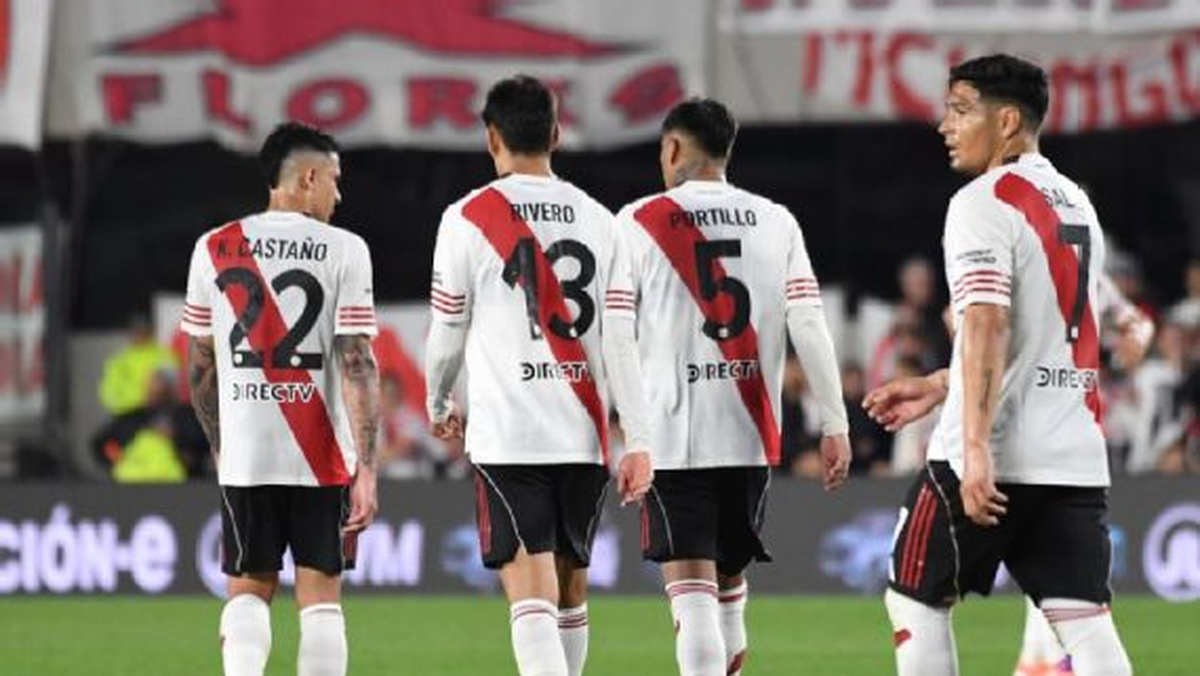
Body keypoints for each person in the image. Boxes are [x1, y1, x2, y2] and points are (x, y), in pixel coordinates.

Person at [862, 54, 1134, 676]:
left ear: (1007, 121)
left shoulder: (981, 201)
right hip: (1072, 453)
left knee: (914, 599)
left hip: (997, 451)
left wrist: (977, 448)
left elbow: (988, 322)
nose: (945, 125)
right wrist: (942, 383)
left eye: (960, 110)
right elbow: (1047, 338)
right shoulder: (1075, 204)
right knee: (1085, 623)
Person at [605, 97, 851, 676]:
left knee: (692, 599)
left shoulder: (637, 221)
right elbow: (809, 325)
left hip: (672, 436)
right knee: (730, 589)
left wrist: (633, 435)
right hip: (750, 435)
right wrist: (835, 422)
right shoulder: (776, 219)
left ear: (672, 148)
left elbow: (615, 333)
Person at [424, 75, 652, 676]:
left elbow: (447, 331)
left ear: (490, 137)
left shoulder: (466, 218)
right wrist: (638, 439)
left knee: (531, 594)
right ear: (556, 133)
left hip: (509, 434)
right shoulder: (602, 221)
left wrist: (437, 398)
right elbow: (621, 342)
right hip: (582, 435)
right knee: (570, 592)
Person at [181, 122, 380, 676]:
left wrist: (221, 445)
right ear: (309, 178)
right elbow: (357, 361)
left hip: (247, 454)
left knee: (247, 592)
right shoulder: (346, 250)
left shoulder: (215, 247)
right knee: (321, 601)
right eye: (334, 180)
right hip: (321, 455)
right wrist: (367, 467)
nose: (339, 194)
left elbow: (201, 364)